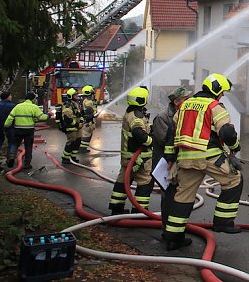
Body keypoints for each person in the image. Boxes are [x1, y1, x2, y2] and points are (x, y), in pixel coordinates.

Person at [163, 73, 243, 251]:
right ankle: (223, 222)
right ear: (217, 91)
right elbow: (228, 133)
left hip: (184, 159)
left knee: (183, 196)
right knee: (234, 180)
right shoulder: (215, 106)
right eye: (222, 92)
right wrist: (235, 148)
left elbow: (171, 134)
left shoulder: (184, 106)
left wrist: (170, 158)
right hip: (208, 156)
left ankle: (173, 239)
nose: (222, 96)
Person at [151, 86, 192, 234]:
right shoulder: (163, 118)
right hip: (165, 165)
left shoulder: (184, 114)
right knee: (168, 197)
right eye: (186, 99)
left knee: (179, 197)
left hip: (179, 163)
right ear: (176, 101)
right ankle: (167, 230)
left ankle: (176, 230)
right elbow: (165, 141)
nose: (190, 101)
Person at [108, 86, 154, 215]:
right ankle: (140, 211)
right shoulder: (136, 117)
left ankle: (116, 208)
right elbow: (139, 133)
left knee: (123, 181)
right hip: (140, 159)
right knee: (145, 182)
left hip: (128, 158)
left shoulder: (129, 113)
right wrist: (151, 140)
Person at [4, 91, 49, 169]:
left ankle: (11, 158)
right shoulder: (34, 107)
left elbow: (10, 117)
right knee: (28, 147)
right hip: (29, 131)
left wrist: (6, 127)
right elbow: (41, 117)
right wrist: (48, 116)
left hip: (18, 130)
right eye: (35, 98)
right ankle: (27, 164)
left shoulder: (18, 106)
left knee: (14, 144)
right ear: (32, 99)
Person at [59, 88, 83, 164]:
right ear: (71, 96)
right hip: (70, 127)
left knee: (78, 141)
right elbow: (67, 119)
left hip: (77, 127)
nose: (77, 96)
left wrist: (82, 121)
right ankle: (65, 158)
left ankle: (73, 157)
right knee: (71, 141)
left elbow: (80, 114)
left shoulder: (76, 103)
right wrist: (77, 124)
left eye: (77, 94)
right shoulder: (67, 105)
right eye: (75, 95)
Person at [79, 85, 97, 152]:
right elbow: (90, 110)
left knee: (88, 135)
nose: (93, 94)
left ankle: (84, 148)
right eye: (92, 92)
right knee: (86, 135)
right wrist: (93, 114)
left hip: (90, 121)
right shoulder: (88, 102)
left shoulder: (88, 100)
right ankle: (82, 148)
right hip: (88, 122)